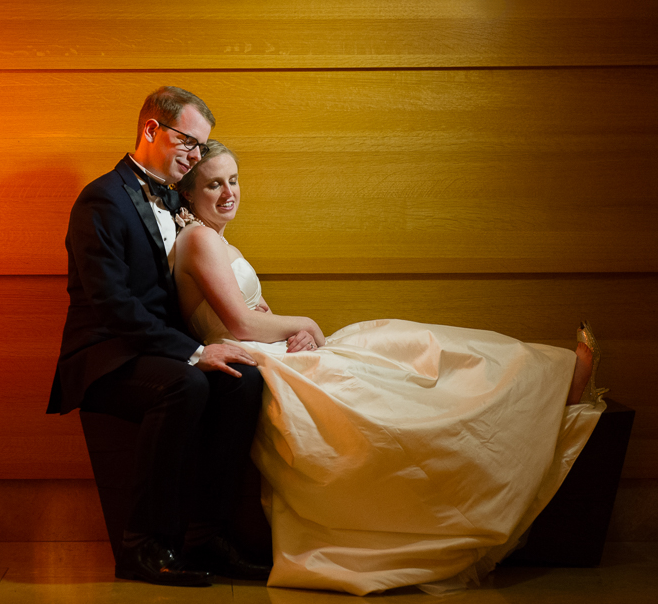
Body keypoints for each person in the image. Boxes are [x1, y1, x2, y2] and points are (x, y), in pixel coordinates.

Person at [172, 140, 607, 595]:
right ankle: (546, 385)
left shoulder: (214, 237)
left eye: (234, 180)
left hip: (269, 349)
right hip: (251, 359)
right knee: (399, 375)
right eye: (214, 184)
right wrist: (303, 323)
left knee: (405, 344)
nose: (229, 192)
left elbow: (249, 314)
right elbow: (239, 325)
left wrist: (287, 330)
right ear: (188, 193)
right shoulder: (199, 238)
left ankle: (548, 378)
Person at [47, 88, 271, 587]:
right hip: (106, 356)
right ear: (151, 130)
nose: (195, 157)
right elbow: (113, 305)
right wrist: (194, 351)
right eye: (188, 143)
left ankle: (208, 536)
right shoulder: (100, 200)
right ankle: (142, 547)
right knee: (185, 384)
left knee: (244, 380)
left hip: (157, 350)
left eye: (200, 147)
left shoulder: (176, 199)